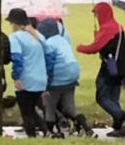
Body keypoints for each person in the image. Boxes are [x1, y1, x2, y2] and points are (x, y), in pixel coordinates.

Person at [78, 1, 125, 136]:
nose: (96, 17)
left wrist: (80, 47)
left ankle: (123, 116)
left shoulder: (107, 28)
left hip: (109, 66)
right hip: (120, 66)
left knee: (102, 97)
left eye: (96, 14)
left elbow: (94, 48)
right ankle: (119, 127)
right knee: (113, 97)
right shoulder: (117, 26)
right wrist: (98, 36)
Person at [5, 7, 52, 138]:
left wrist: (16, 77)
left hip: (27, 78)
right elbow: (49, 54)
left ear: (14, 23)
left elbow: (17, 59)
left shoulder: (15, 38)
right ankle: (46, 132)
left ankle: (32, 136)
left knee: (26, 111)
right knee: (32, 109)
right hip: (41, 78)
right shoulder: (37, 36)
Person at [37, 17, 83, 134]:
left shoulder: (49, 44)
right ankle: (87, 128)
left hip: (60, 77)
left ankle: (50, 132)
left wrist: (46, 85)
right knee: (70, 107)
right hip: (73, 75)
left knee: (49, 106)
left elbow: (49, 65)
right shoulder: (63, 40)